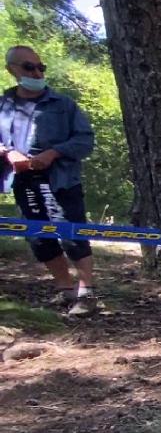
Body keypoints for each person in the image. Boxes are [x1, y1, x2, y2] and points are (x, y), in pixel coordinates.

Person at [0, 45, 98, 316]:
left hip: (62, 180)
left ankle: (87, 293)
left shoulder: (63, 105)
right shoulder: (3, 106)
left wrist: (54, 153)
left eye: (40, 67)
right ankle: (65, 291)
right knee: (39, 239)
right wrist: (8, 153)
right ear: (13, 70)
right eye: (29, 67)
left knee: (72, 235)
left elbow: (85, 140)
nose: (37, 72)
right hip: (22, 182)